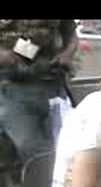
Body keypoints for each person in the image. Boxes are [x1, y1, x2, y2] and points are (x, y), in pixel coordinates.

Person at [0, 20, 78, 161]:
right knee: (33, 148)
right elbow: (18, 54)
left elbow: (71, 32)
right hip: (12, 89)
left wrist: (67, 54)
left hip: (53, 85)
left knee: (70, 142)